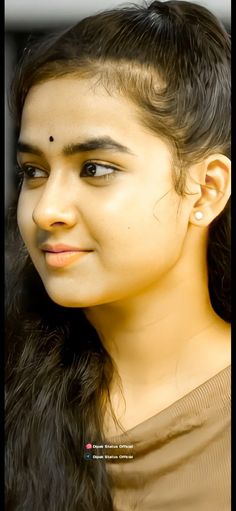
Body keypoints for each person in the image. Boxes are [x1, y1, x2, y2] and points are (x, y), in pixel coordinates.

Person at [5, 1, 231, 510]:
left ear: (206, 191)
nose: (46, 212)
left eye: (96, 168)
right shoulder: (19, 391)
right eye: (34, 172)